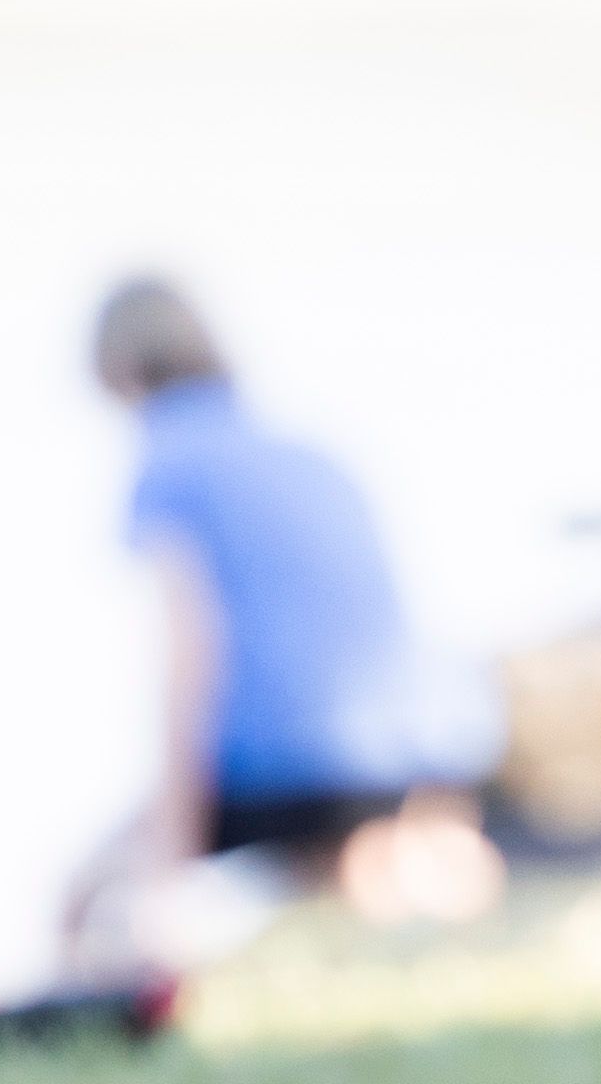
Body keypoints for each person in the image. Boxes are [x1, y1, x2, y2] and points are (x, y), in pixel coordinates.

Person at [62, 279, 499, 974]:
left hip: (289, 777)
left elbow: (190, 656)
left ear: (115, 371)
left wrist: (171, 860)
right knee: (353, 888)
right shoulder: (312, 452)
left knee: (82, 895)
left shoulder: (167, 463)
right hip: (418, 759)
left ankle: (96, 1024)